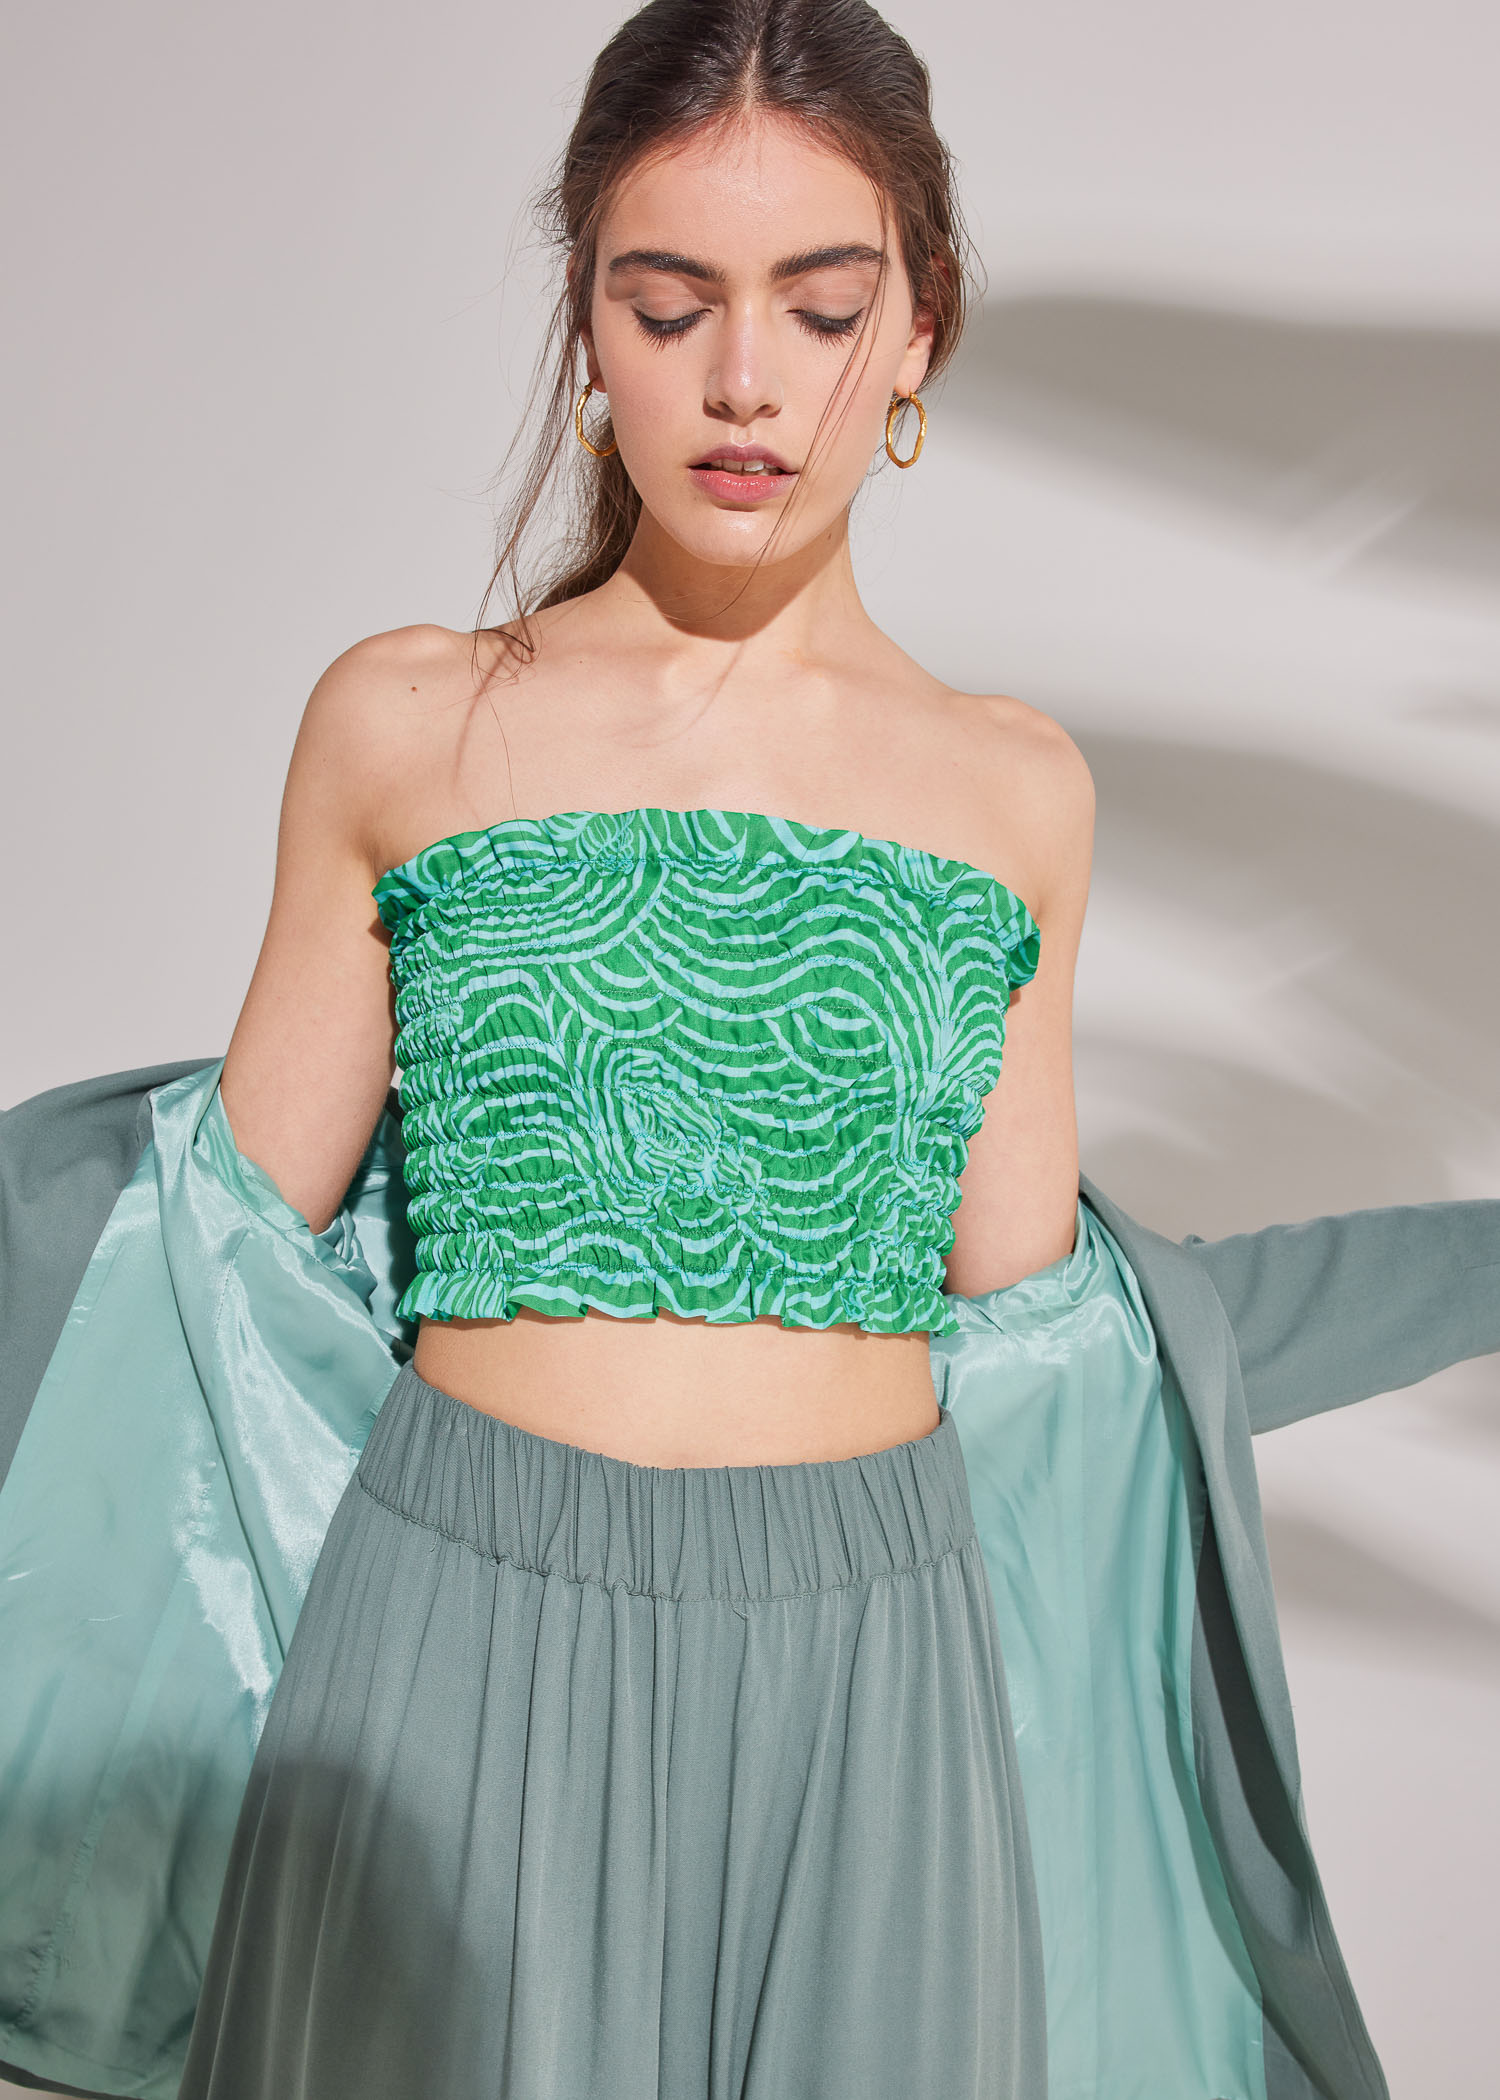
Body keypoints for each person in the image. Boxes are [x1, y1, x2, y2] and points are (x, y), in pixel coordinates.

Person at [1, 6, 1495, 2099]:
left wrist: (1467, 1264)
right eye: (669, 301)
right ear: (587, 328)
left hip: (877, 1682)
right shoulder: (404, 725)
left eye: (821, 304)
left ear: (917, 331)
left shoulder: (1011, 794)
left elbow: (1071, 1349)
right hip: (456, 1645)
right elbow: (195, 1282)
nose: (742, 380)